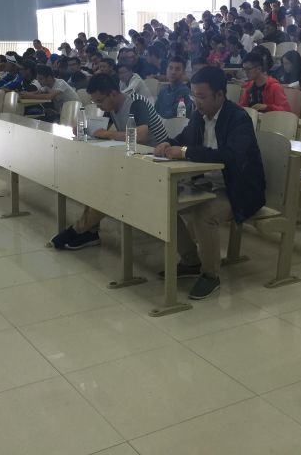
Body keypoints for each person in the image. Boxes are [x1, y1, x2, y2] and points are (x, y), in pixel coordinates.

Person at [153, 66, 265, 299]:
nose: (197, 101)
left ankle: (210, 275)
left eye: (202, 96)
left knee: (205, 212)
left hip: (237, 189)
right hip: (206, 183)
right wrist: (168, 144)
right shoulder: (199, 115)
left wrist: (185, 151)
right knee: (165, 202)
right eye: (194, 95)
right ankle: (191, 260)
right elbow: (184, 139)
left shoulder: (238, 119)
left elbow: (230, 156)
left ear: (220, 95)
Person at [50, 74, 169, 250]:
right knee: (97, 178)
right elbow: (100, 129)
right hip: (136, 158)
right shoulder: (111, 106)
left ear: (112, 94)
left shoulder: (136, 102)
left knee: (109, 185)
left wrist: (107, 134)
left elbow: (141, 136)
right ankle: (88, 232)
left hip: (158, 162)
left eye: (99, 101)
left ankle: (80, 230)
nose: (98, 106)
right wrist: (83, 129)